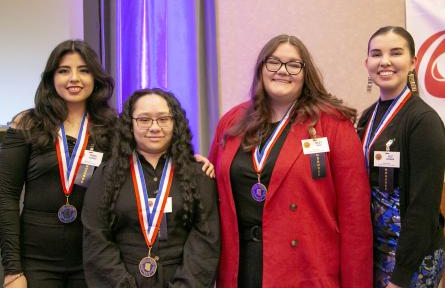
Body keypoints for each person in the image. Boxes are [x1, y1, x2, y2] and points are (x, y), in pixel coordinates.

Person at [208, 34, 373, 287]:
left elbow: (355, 218)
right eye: (273, 62)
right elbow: (213, 193)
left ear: (305, 73)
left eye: (294, 65)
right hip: (241, 268)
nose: (283, 71)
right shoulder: (231, 122)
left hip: (306, 269)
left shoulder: (332, 124)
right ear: (261, 68)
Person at [0, 40, 116, 287]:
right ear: (51, 78)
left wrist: (189, 161)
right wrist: (12, 270)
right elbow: (6, 197)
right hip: (36, 262)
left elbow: (148, 161)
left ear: (95, 77)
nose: (74, 78)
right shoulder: (27, 124)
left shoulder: (113, 128)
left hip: (94, 259)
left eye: (83, 70)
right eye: (64, 70)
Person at [82, 88, 220, 287]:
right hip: (122, 279)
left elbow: (205, 240)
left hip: (182, 279)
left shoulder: (198, 174)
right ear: (130, 124)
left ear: (176, 123)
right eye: (144, 119)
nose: (155, 127)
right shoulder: (106, 175)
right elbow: (96, 238)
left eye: (163, 119)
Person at [358, 26, 445, 288]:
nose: (385, 61)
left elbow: (424, 204)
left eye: (396, 53)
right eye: (376, 54)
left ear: (412, 62)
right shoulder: (368, 117)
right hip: (376, 250)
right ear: (367, 63)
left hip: (411, 259)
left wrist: (401, 276)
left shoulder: (423, 121)